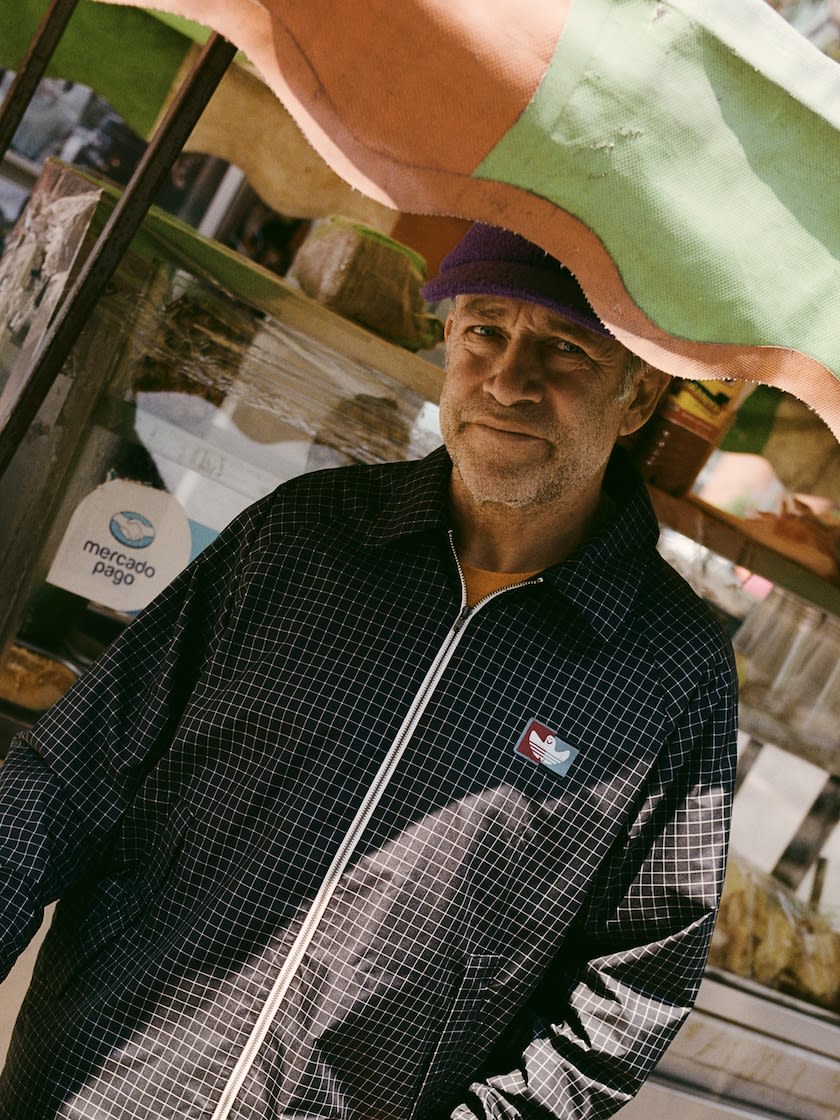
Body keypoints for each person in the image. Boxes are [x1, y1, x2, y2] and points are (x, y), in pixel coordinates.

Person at [0, 223, 738, 1120]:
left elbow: (631, 990)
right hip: (89, 1089)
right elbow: (64, 780)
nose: (509, 380)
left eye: (566, 349)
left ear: (638, 395)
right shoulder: (304, 535)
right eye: (485, 330)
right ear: (448, 339)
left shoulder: (670, 670)